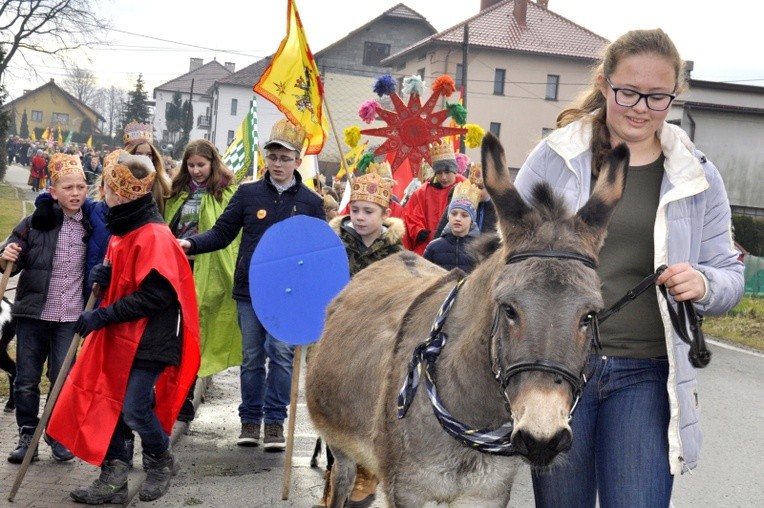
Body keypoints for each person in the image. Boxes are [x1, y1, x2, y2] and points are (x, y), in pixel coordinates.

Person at [512, 28, 745, 507]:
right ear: (603, 83)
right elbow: (508, 261)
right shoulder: (553, 159)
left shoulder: (697, 175)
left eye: (658, 96)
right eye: (628, 92)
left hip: (647, 371)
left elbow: (729, 274)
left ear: (674, 97)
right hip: (556, 369)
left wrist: (702, 282)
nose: (641, 107)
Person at [46, 149, 200, 504]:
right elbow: (131, 273)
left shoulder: (153, 235)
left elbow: (155, 296)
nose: (103, 196)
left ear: (119, 193)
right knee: (106, 401)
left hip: (152, 335)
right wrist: (108, 274)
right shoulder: (124, 228)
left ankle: (161, 459)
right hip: (122, 334)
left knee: (132, 406)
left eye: (106, 191)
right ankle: (113, 478)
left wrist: (103, 314)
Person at [178, 118, 325, 451]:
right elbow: (221, 232)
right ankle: (250, 420)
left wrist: (312, 289)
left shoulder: (311, 202)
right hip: (249, 290)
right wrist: (192, 244)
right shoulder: (248, 194)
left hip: (288, 295)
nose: (278, 164)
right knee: (253, 357)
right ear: (266, 159)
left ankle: (275, 423)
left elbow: (318, 251)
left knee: (283, 356)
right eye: (273, 157)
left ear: (297, 162)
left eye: (285, 158)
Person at [315, 171, 404, 508]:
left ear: (384, 214)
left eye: (369, 211)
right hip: (335, 340)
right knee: (333, 410)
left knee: (370, 410)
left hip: (376, 344)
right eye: (356, 210)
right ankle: (336, 479)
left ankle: (365, 480)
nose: (361, 217)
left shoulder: (396, 252)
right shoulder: (333, 243)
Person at [0, 153, 90, 464]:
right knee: (26, 377)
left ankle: (56, 430)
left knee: (61, 377)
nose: (75, 193)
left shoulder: (92, 225)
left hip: (70, 316)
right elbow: (10, 255)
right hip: (33, 314)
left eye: (81, 186)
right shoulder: (33, 223)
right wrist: (6, 252)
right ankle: (28, 433)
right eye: (68, 187)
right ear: (53, 191)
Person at [164, 139, 241, 422]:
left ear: (213, 163)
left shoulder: (227, 193)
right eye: (191, 165)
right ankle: (169, 391)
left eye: (201, 165)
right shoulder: (176, 193)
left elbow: (229, 236)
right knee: (171, 332)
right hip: (176, 268)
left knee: (196, 333)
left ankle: (185, 392)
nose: (196, 170)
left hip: (209, 269)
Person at [402, 141, 465, 254]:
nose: (443, 177)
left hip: (457, 246)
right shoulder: (422, 192)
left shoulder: (465, 187)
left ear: (454, 170)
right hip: (428, 247)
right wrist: (418, 231)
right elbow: (410, 214)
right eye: (439, 173)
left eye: (447, 172)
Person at [423, 180, 480, 273]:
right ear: (448, 217)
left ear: (472, 220)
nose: (458, 218)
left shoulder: (480, 250)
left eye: (464, 215)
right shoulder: (433, 248)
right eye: (454, 214)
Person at [434, 162, 497, 238]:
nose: (476, 190)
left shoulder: (498, 210)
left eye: (480, 187)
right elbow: (439, 234)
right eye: (472, 185)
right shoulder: (457, 204)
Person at [122, 121, 172, 214]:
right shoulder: (117, 180)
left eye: (149, 155)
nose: (145, 159)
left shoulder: (162, 185)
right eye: (139, 154)